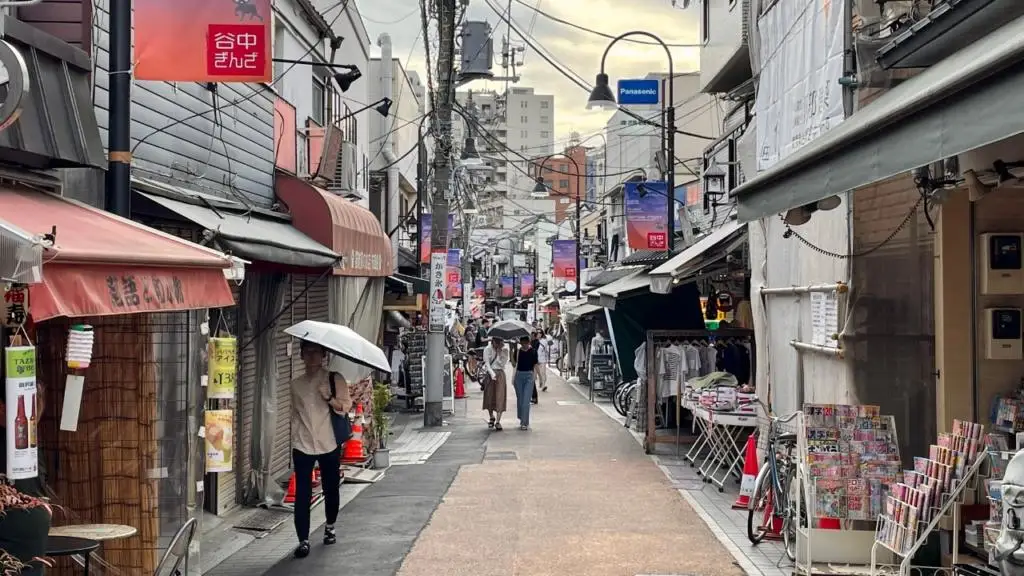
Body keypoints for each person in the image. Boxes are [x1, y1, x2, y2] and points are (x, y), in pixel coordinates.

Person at [289, 341, 350, 559]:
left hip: (329, 442)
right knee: (302, 494)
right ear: (302, 356)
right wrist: (294, 437)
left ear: (324, 354)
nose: (312, 356)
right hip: (303, 444)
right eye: (308, 352)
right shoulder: (296, 385)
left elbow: (345, 408)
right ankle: (303, 540)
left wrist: (329, 398)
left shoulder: (334, 379)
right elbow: (295, 414)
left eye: (316, 352)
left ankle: (330, 526)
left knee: (331, 488)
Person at [513, 335, 541, 430]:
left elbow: (536, 365)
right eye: (522, 343)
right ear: (520, 343)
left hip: (529, 376)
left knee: (526, 401)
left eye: (526, 343)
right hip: (519, 377)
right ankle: (521, 416)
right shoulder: (517, 351)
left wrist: (540, 378)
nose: (524, 345)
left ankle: (524, 422)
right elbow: (514, 364)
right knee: (520, 399)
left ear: (529, 343)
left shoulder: (533, 352)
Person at [482, 336, 509, 430]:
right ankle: (491, 416)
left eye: (500, 342)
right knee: (489, 396)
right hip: (490, 374)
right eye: (496, 342)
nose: (498, 344)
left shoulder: (504, 350)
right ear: (492, 341)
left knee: (500, 396)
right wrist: (492, 374)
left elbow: (502, 364)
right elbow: (487, 363)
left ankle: (498, 421)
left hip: (500, 374)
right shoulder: (487, 349)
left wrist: (499, 353)